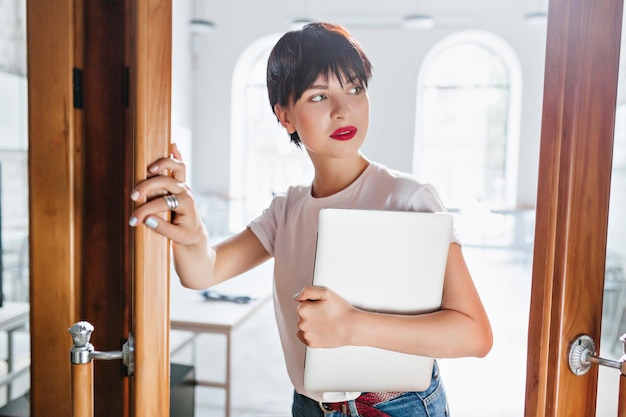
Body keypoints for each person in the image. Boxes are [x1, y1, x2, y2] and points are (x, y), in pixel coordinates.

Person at [129, 22, 492, 417]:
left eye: (355, 89)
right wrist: (191, 232)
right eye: (319, 96)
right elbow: (204, 272)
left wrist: (352, 325)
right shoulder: (287, 209)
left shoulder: (407, 198)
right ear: (285, 116)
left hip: (397, 406)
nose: (343, 109)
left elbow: (474, 333)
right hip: (309, 405)